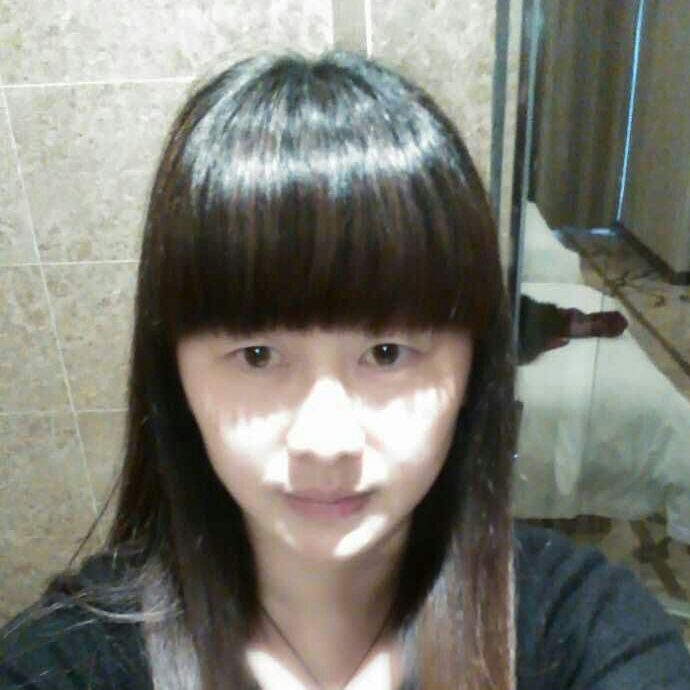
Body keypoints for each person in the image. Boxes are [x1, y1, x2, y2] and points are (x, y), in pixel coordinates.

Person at [1, 50, 689, 690]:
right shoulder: (72, 658)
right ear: (176, 376)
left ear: (472, 371)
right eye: (258, 355)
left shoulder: (578, 626)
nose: (325, 442)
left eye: (386, 353)